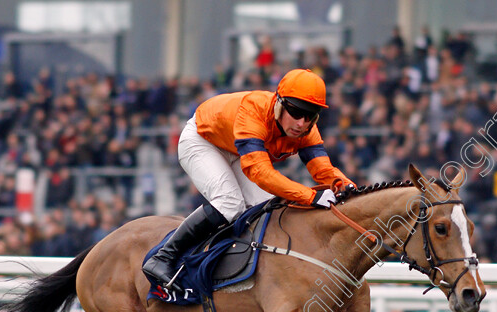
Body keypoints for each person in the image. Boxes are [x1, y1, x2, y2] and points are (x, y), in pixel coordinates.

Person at [142, 68, 355, 292]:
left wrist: (345, 185)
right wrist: (311, 197)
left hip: (235, 150)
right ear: (279, 104)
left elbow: (323, 169)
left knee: (269, 211)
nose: (301, 123)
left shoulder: (306, 129)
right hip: (202, 139)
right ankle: (163, 257)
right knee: (230, 203)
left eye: (310, 115)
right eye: (295, 111)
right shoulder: (253, 111)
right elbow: (260, 173)